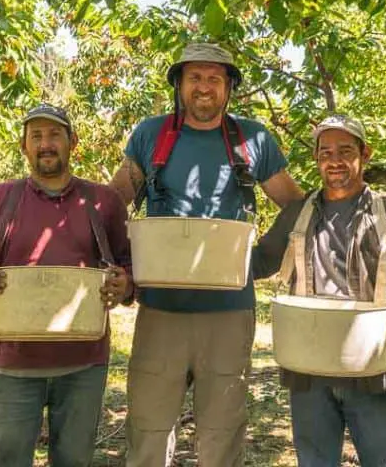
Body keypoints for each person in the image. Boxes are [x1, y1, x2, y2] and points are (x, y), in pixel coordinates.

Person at [109, 42, 304, 467]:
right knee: (148, 429)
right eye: (194, 77)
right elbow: (113, 202)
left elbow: (296, 204)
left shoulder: (252, 138)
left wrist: (260, 261)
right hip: (161, 310)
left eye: (215, 78)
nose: (204, 87)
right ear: (178, 84)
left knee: (221, 433)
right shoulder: (151, 135)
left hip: (228, 314)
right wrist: (126, 267)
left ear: (229, 88)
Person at [0, 102, 134, 467]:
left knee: (73, 459)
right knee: (7, 458)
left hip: (84, 363)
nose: (45, 144)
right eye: (36, 136)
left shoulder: (103, 202)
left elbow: (129, 267)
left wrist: (124, 284)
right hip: (15, 361)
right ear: (24, 146)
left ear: (72, 142)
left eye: (54, 135)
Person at [251, 113, 386, 467]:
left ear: (364, 154)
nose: (334, 161)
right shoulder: (298, 214)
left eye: (345, 151)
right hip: (309, 371)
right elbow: (259, 263)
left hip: (373, 371)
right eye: (325, 153)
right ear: (317, 158)